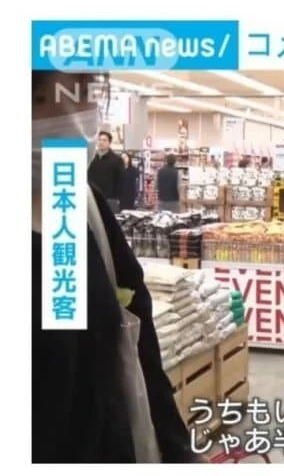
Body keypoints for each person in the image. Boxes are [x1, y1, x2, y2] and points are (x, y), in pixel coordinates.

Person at [32, 71, 200, 463]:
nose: (75, 118)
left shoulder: (76, 202)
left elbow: (135, 348)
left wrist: (181, 454)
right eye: (38, 97)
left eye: (86, 90)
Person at [88, 130, 124, 212]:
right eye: (99, 140)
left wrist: (118, 198)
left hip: (110, 199)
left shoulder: (116, 160)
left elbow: (121, 181)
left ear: (109, 143)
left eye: (104, 140)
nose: (101, 142)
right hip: (93, 198)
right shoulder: (92, 159)